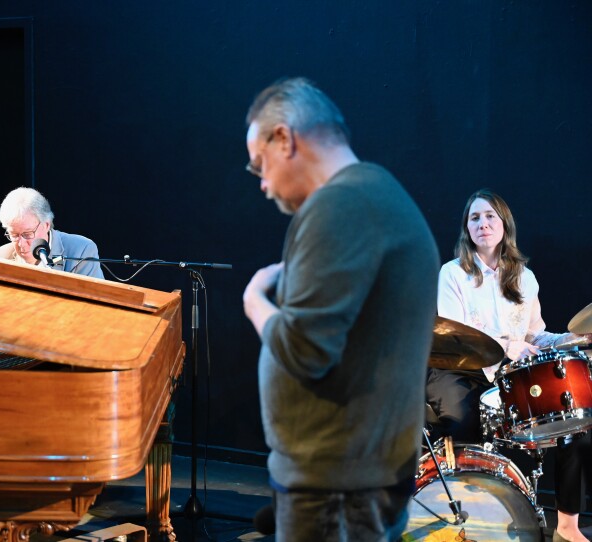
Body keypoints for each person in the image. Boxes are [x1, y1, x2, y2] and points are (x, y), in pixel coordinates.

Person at [241, 77, 439, 541]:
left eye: (260, 165)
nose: (265, 185)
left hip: (339, 485)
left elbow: (305, 349)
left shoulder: (342, 204)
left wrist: (254, 300)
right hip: (353, 478)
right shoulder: (373, 194)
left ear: (284, 138)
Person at [429, 189, 591, 542]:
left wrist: (572, 340)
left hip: (505, 376)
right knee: (465, 420)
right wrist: (507, 346)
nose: (482, 224)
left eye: (490, 216)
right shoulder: (453, 273)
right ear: (466, 229)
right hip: (459, 370)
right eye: (475, 218)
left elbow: (536, 334)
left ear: (504, 225)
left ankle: (567, 526)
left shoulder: (525, 278)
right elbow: (455, 336)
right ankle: (470, 525)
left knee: (573, 424)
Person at [0, 187, 104, 279]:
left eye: (27, 234)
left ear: (46, 225)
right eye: (14, 235)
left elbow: (95, 305)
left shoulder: (81, 252)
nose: (21, 244)